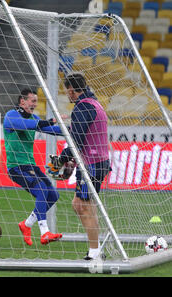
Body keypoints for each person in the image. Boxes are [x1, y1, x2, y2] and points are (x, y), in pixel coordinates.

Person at [48, 73, 111, 260]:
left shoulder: (82, 108)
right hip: (97, 161)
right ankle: (96, 248)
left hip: (91, 163)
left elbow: (76, 140)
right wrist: (71, 161)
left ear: (71, 90)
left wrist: (62, 160)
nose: (67, 93)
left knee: (83, 206)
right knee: (80, 204)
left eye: (67, 90)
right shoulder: (94, 103)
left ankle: (95, 252)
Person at [3, 88, 64, 246]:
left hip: (31, 165)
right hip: (16, 167)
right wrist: (49, 121)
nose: (35, 104)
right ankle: (44, 232)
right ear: (22, 101)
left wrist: (70, 131)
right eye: (32, 101)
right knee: (42, 191)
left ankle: (27, 224)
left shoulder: (35, 118)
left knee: (53, 195)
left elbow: (51, 130)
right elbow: (24, 125)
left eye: (36, 101)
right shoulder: (11, 116)